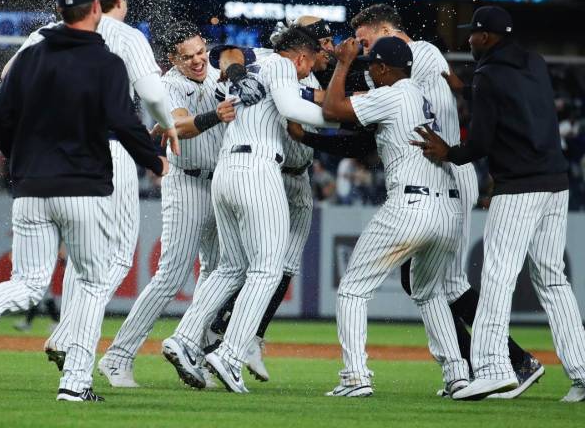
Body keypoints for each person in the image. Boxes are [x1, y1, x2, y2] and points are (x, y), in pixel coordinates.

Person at [0, 0, 168, 403]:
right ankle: (75, 384)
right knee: (89, 280)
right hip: (84, 187)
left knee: (29, 280)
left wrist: (21, 160)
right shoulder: (106, 60)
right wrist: (154, 160)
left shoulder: (32, 55)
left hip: (31, 186)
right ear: (96, 9)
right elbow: (124, 121)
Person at [346, 3, 542, 398]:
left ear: (387, 29)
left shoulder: (420, 53)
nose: (365, 52)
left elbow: (385, 99)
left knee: (445, 283)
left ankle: (507, 363)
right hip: (440, 173)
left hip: (449, 171)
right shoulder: (419, 60)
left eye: (367, 40)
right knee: (430, 282)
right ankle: (481, 365)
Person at [3, 0, 180, 370]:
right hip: (109, 149)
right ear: (117, 0)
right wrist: (167, 128)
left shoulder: (48, 31)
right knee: (112, 258)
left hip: (51, 153)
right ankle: (69, 338)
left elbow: (8, 76)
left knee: (79, 260)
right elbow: (152, 94)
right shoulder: (128, 36)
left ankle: (64, 334)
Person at [412, 5, 585, 403]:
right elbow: (518, 108)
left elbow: (481, 145)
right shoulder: (535, 62)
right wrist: (470, 89)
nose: (468, 39)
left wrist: (448, 152)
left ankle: (492, 369)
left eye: (472, 34)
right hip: (556, 184)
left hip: (520, 188)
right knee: (553, 279)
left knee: (497, 278)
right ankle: (580, 371)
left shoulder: (488, 76)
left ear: (486, 37)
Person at [162, 26, 335, 393]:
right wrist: (346, 118)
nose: (309, 69)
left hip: (225, 170)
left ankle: (185, 338)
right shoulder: (284, 67)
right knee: (267, 269)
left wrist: (237, 72)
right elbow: (293, 107)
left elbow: (225, 53)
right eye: (311, 62)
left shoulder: (253, 61)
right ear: (301, 57)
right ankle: (230, 355)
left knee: (230, 267)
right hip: (258, 169)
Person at [316, 36, 469, 398]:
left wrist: (343, 62)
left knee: (353, 289)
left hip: (411, 205)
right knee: (429, 292)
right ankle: (457, 374)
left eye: (371, 65)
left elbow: (332, 110)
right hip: (448, 209)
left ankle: (355, 377)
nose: (368, 71)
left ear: (384, 68)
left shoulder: (395, 92)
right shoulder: (420, 94)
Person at [96, 21, 234, 388]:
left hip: (220, 183)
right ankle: (118, 357)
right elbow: (181, 125)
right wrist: (215, 115)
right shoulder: (166, 84)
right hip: (187, 181)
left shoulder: (220, 74)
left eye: (201, 52)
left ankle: (196, 350)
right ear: (172, 59)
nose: (197, 61)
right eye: (187, 57)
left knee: (217, 271)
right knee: (171, 275)